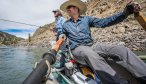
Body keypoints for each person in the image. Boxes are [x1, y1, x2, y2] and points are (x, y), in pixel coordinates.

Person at [59, 0, 146, 84]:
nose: (68, 9)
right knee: (89, 54)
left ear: (77, 8)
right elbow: (61, 38)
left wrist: (124, 14)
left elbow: (104, 22)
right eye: (67, 8)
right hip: (78, 49)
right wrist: (61, 37)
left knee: (121, 50)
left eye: (70, 6)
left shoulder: (86, 19)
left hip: (92, 45)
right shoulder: (65, 25)